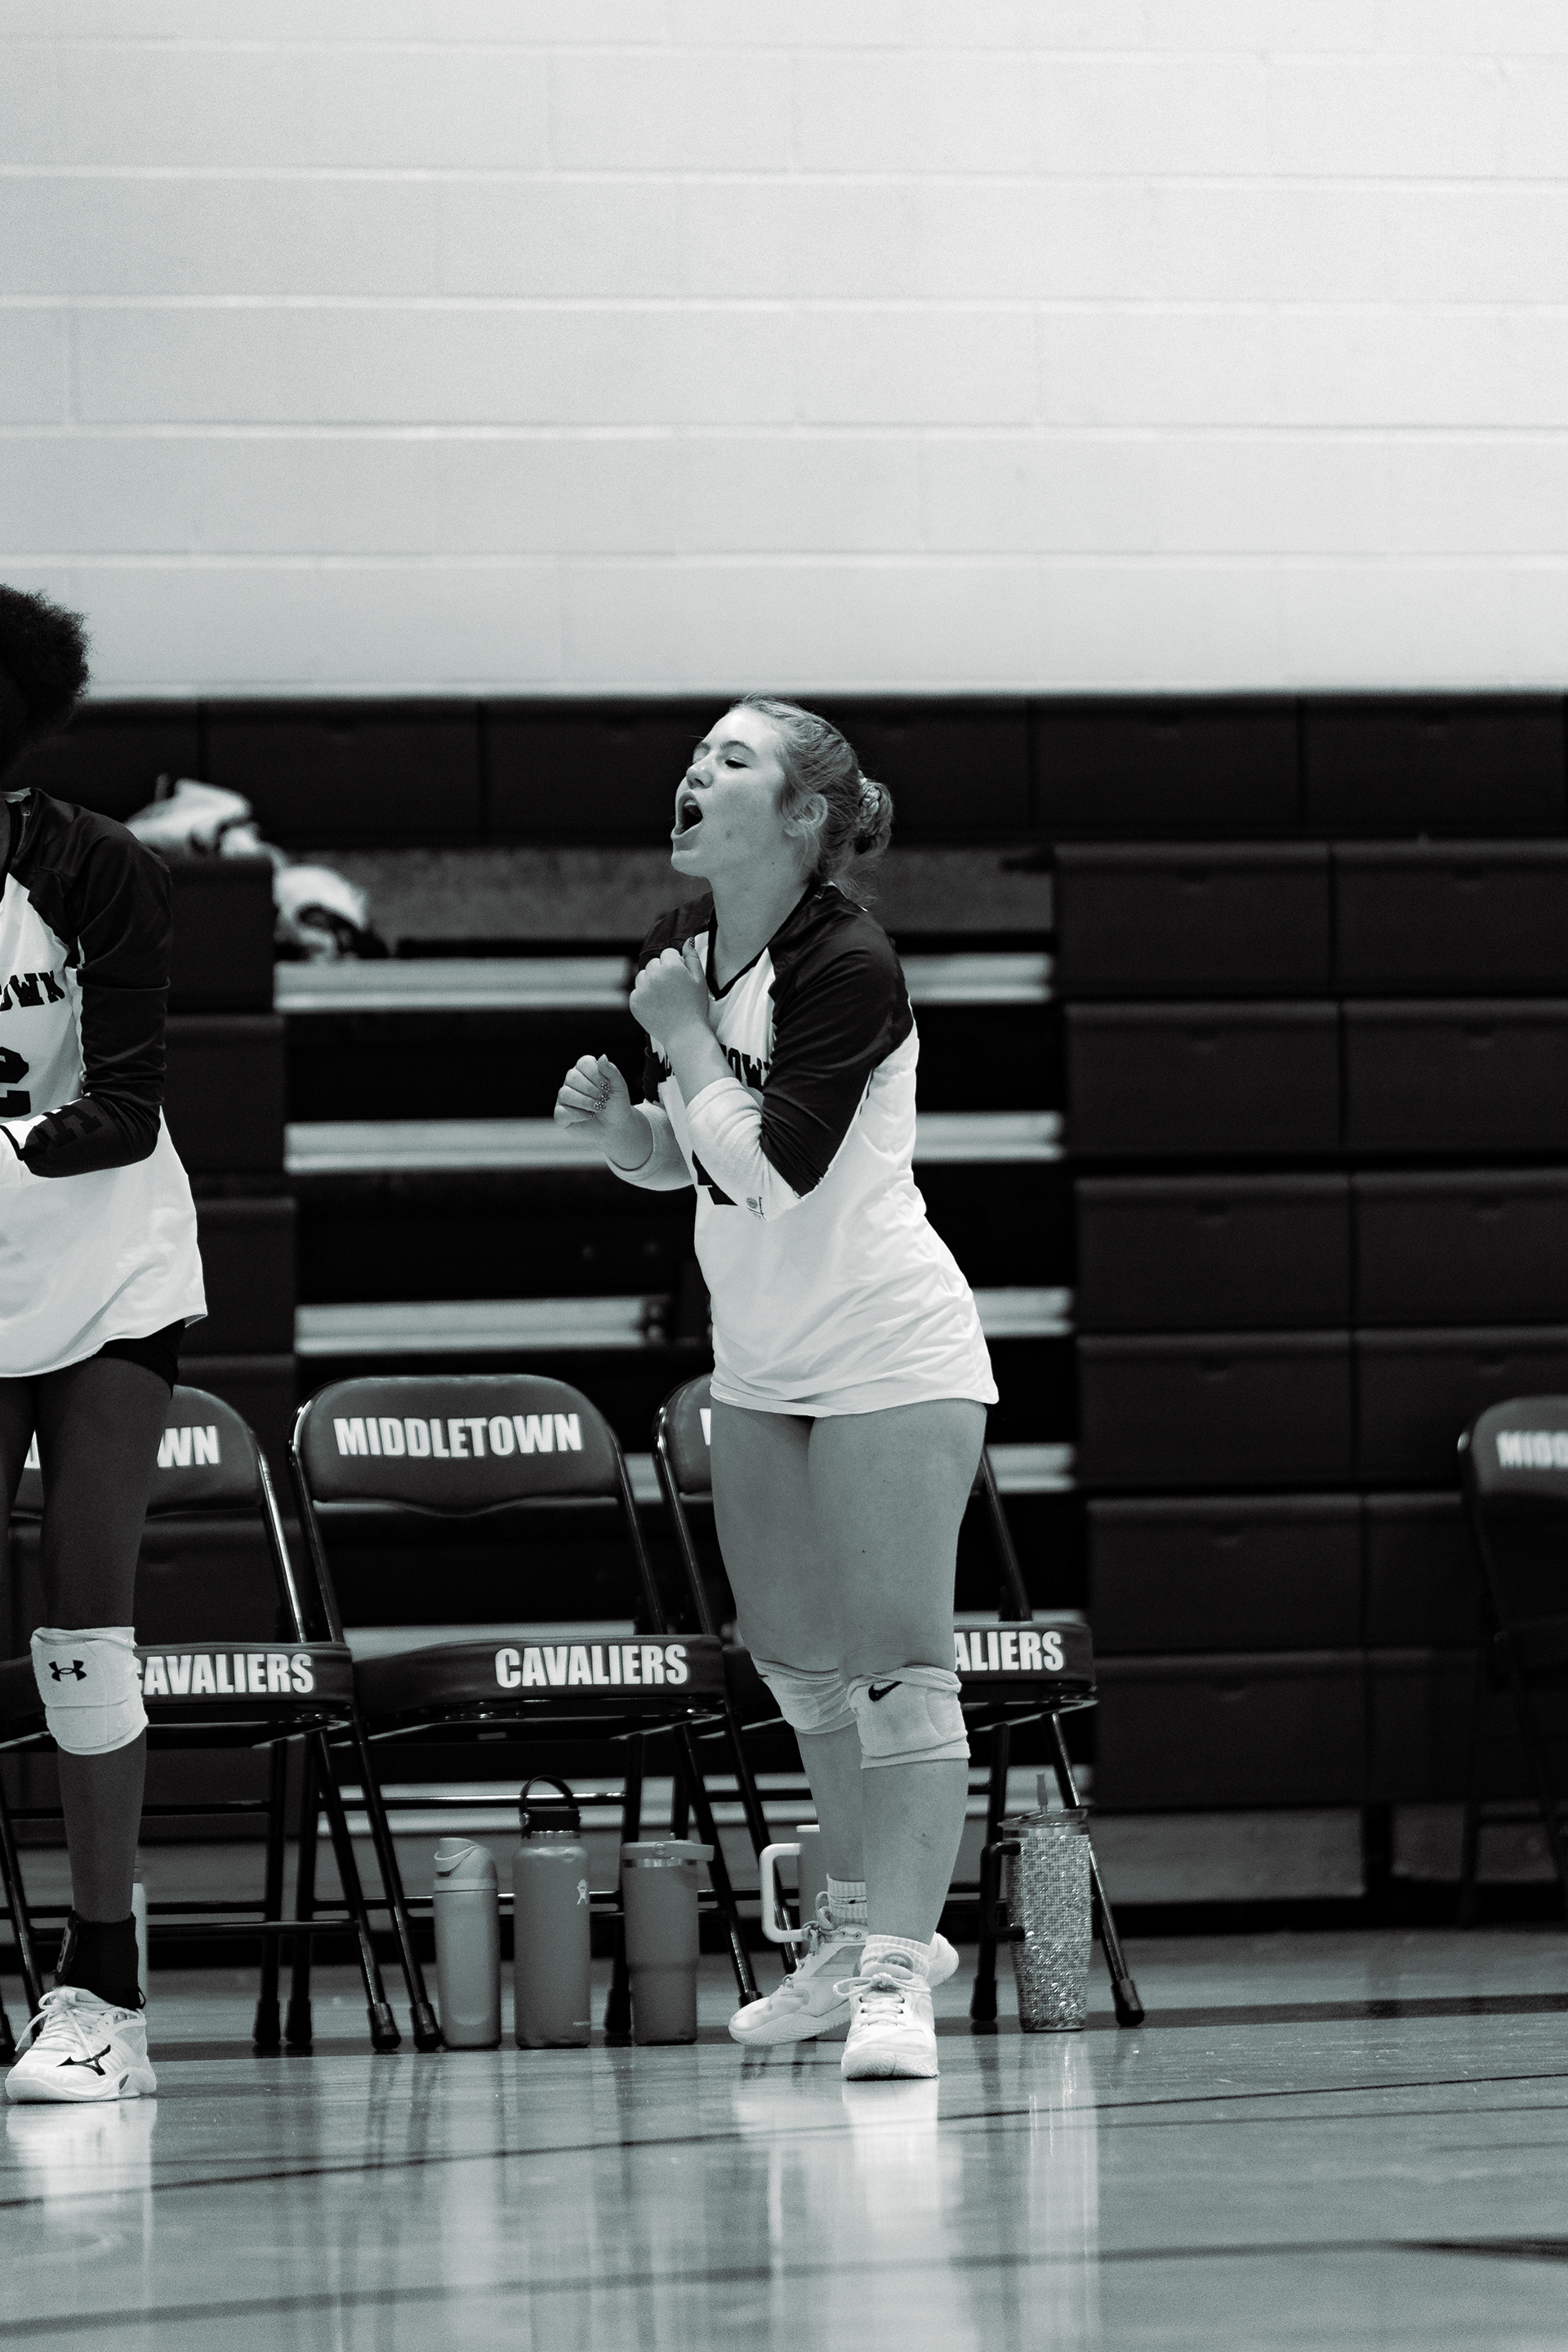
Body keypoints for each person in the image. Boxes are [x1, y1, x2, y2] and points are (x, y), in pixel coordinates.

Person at [555, 695, 996, 2081]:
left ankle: (900, 1979)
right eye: (698, 752)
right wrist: (630, 1137)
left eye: (731, 759)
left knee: (900, 1678)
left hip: (886, 1351)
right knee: (803, 1673)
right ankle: (853, 1936)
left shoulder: (847, 961)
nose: (696, 769)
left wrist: (684, 1043)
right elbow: (705, 1162)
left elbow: (776, 1171)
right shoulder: (682, 950)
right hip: (760, 1362)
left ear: (803, 817)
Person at [0, 588, 206, 2103]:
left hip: (106, 1267)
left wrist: (10, 1151)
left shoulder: (96, 866)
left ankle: (104, 1994)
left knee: (84, 1618)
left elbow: (125, 1106)